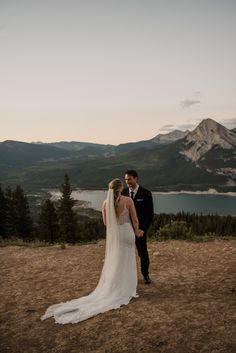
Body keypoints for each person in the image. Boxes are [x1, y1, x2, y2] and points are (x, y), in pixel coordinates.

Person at [40, 178, 141, 325]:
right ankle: (127, 287)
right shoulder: (128, 201)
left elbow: (106, 223)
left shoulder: (105, 203)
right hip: (127, 233)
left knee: (116, 260)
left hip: (116, 236)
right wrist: (138, 232)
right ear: (121, 188)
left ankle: (116, 287)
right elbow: (135, 220)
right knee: (127, 260)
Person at [122, 170, 154, 284]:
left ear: (136, 178)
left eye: (129, 179)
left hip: (139, 231)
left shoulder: (146, 193)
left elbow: (150, 215)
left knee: (143, 254)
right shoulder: (123, 192)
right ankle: (126, 277)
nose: (127, 182)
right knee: (125, 253)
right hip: (125, 230)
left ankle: (145, 275)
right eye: (125, 179)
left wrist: (142, 229)